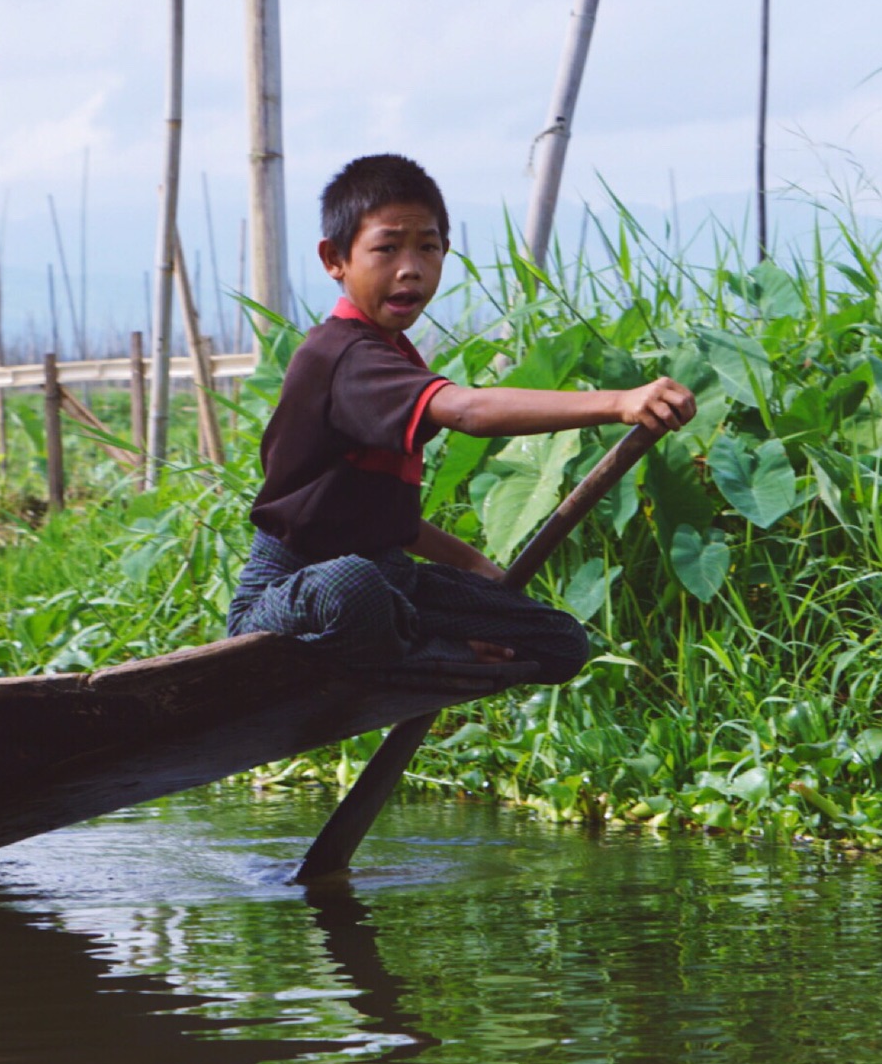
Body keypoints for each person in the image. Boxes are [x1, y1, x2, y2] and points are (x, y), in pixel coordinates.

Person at [226, 153, 695, 683]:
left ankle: (423, 646)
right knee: (353, 586)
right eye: (386, 248)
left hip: (389, 581)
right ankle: (433, 649)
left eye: (428, 247)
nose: (411, 267)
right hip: (295, 594)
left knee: (556, 642)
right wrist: (618, 402)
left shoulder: (396, 355)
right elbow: (469, 410)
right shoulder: (341, 356)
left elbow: (380, 518)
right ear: (335, 259)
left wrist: (473, 568)